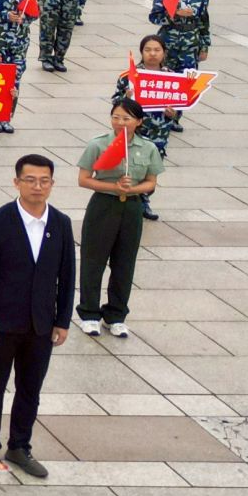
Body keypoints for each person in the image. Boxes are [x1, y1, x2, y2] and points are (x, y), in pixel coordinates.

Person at [0, 154, 75, 478]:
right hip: (2, 324)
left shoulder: (60, 223)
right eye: (30, 180)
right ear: (16, 182)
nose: (37, 186)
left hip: (41, 325)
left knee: (30, 389)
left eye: (44, 181)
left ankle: (19, 446)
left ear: (52, 184)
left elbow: (67, 275)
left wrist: (62, 320)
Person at [75, 97, 162, 338]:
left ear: (139, 121)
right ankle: (89, 313)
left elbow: (151, 182)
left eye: (126, 118)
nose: (120, 122)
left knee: (124, 263)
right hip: (103, 205)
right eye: (116, 117)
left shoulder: (148, 148)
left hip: (132, 208)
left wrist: (130, 190)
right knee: (94, 261)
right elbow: (83, 179)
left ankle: (116, 315)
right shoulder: (98, 145)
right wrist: (114, 187)